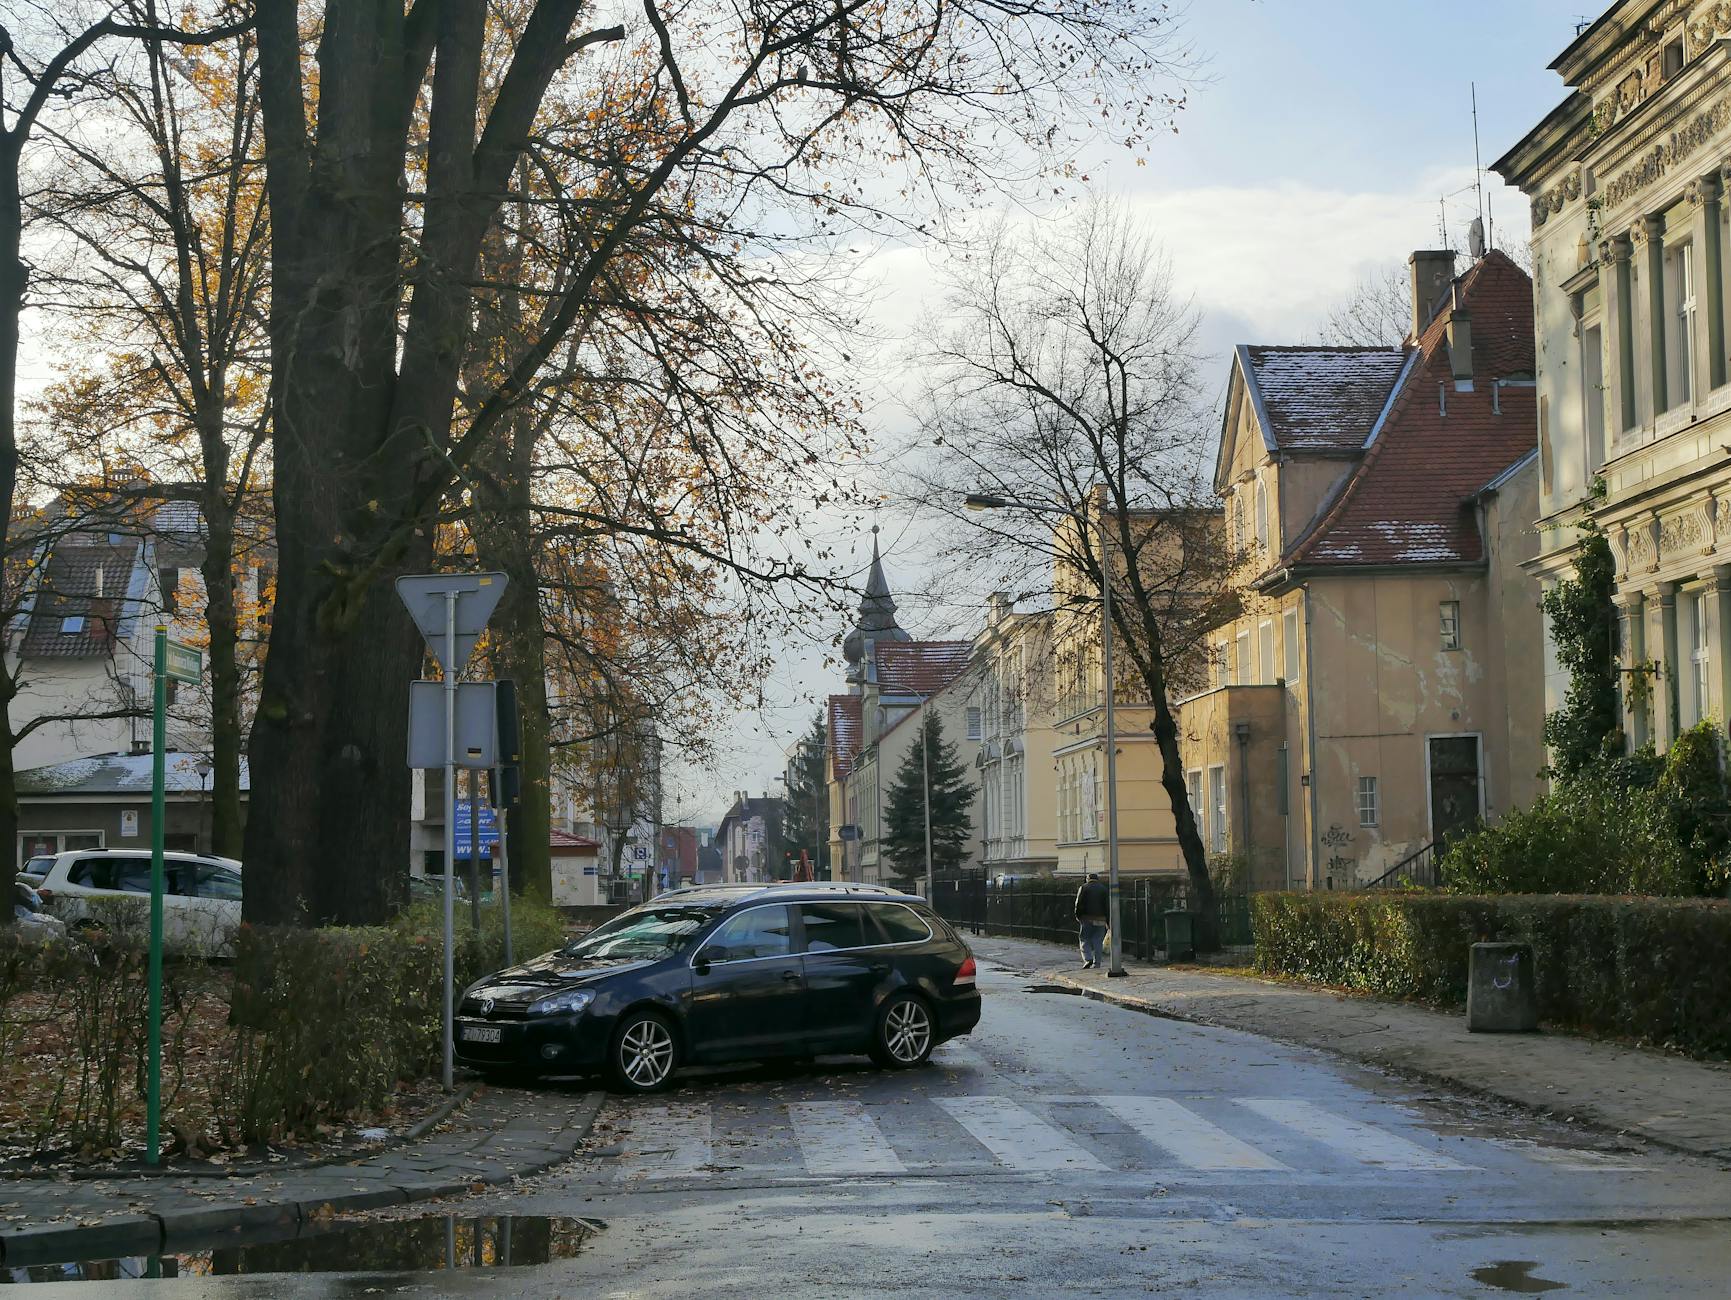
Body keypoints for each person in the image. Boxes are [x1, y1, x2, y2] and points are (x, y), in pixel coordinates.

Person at [1074, 872, 1108, 969]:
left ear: (1087, 879)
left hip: (1086, 918)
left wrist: (1078, 916)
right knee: (1098, 941)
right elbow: (1107, 906)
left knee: (1084, 939)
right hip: (1101, 919)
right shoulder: (1104, 889)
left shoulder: (1084, 888)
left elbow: (1078, 903)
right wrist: (1108, 921)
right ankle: (1097, 963)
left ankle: (1088, 959)